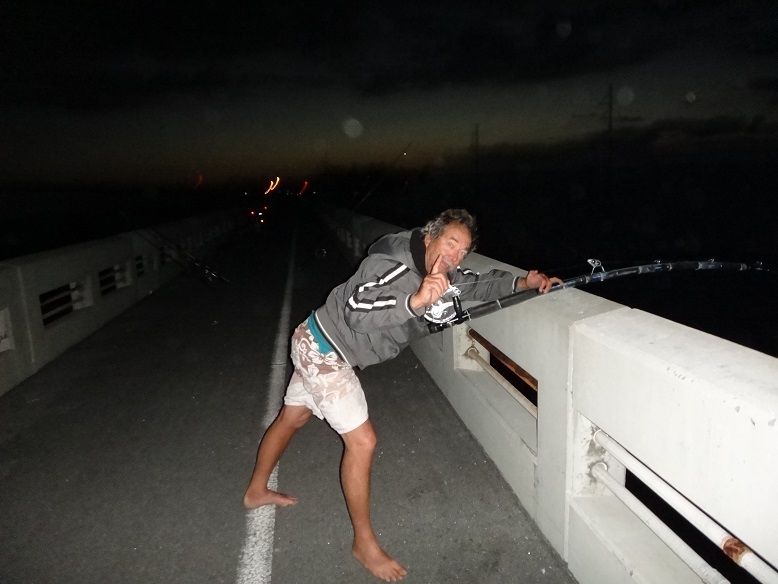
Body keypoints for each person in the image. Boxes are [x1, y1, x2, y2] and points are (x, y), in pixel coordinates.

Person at [243, 209, 561, 582]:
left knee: (293, 417)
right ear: (429, 236)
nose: (455, 256)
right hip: (326, 350)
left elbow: (475, 286)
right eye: (451, 244)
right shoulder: (389, 263)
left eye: (463, 251)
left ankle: (255, 491)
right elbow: (357, 311)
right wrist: (414, 301)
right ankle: (363, 544)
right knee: (362, 442)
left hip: (315, 338)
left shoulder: (445, 272)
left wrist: (522, 283)